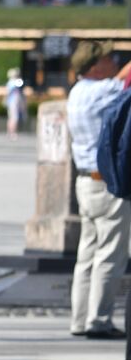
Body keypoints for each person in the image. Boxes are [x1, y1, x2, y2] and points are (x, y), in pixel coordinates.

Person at [66, 41, 130, 340]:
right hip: (105, 182)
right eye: (108, 58)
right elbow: (123, 82)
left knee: (87, 253)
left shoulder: (76, 92)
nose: (114, 61)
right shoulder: (98, 91)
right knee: (110, 254)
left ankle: (79, 319)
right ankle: (99, 319)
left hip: (84, 181)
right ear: (94, 67)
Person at [4, 68, 27, 139]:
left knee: (11, 117)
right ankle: (13, 133)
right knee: (14, 117)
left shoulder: (9, 83)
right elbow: (21, 87)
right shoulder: (15, 82)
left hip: (11, 102)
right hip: (14, 102)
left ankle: (9, 132)